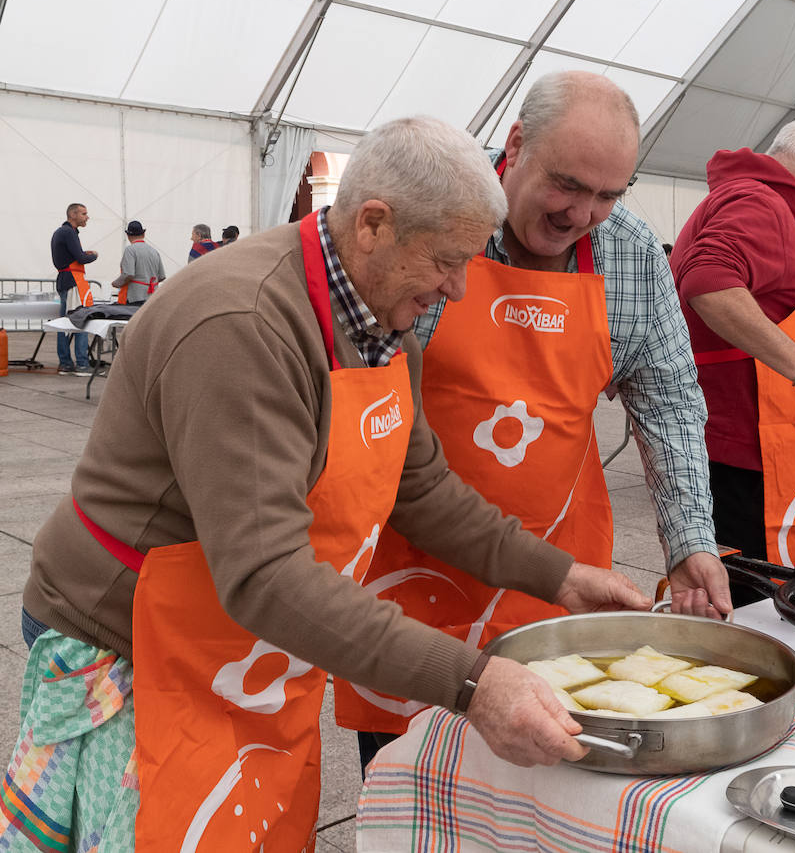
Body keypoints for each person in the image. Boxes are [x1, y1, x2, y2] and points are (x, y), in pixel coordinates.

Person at [4, 116, 649, 850]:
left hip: (237, 640)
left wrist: (561, 577)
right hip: (127, 641)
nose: (460, 288)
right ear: (374, 223)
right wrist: (472, 683)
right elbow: (267, 574)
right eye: (447, 259)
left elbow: (424, 490)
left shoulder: (377, 320)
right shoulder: (244, 324)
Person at [340, 72, 729, 756]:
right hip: (414, 565)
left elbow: (669, 403)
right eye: (568, 185)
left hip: (558, 578)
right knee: (409, 781)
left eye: (609, 194)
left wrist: (691, 540)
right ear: (516, 145)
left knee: (544, 782)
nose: (582, 214)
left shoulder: (632, 254)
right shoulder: (436, 222)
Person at [670, 119, 795, 582]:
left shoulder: (744, 196)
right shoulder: (763, 202)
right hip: (739, 449)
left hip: (732, 441)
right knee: (751, 598)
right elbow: (709, 282)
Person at [49, 202, 97, 374]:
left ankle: (66, 363)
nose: (87, 217)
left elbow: (75, 256)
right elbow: (81, 258)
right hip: (72, 281)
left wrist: (84, 255)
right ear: (73, 215)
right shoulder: (69, 232)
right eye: (83, 214)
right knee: (80, 322)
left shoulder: (62, 232)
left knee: (65, 324)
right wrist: (93, 256)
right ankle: (82, 363)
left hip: (65, 280)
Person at [112, 220, 166, 304]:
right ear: (143, 234)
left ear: (128, 235)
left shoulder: (130, 250)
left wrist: (116, 283)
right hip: (152, 297)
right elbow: (162, 276)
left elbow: (128, 274)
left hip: (135, 296)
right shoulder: (154, 251)